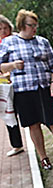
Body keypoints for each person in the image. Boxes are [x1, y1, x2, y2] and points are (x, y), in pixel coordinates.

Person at [0, 9, 53, 169]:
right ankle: (43, 158)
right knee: (33, 124)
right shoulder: (9, 42)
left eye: (36, 25)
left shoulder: (43, 42)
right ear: (22, 25)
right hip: (24, 91)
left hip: (44, 88)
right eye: (31, 25)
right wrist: (12, 66)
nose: (35, 28)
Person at [0, 14, 24, 157]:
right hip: (4, 86)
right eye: (0, 29)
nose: (3, 31)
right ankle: (17, 145)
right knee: (9, 114)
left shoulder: (16, 39)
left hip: (19, 81)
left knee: (29, 111)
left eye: (5, 28)